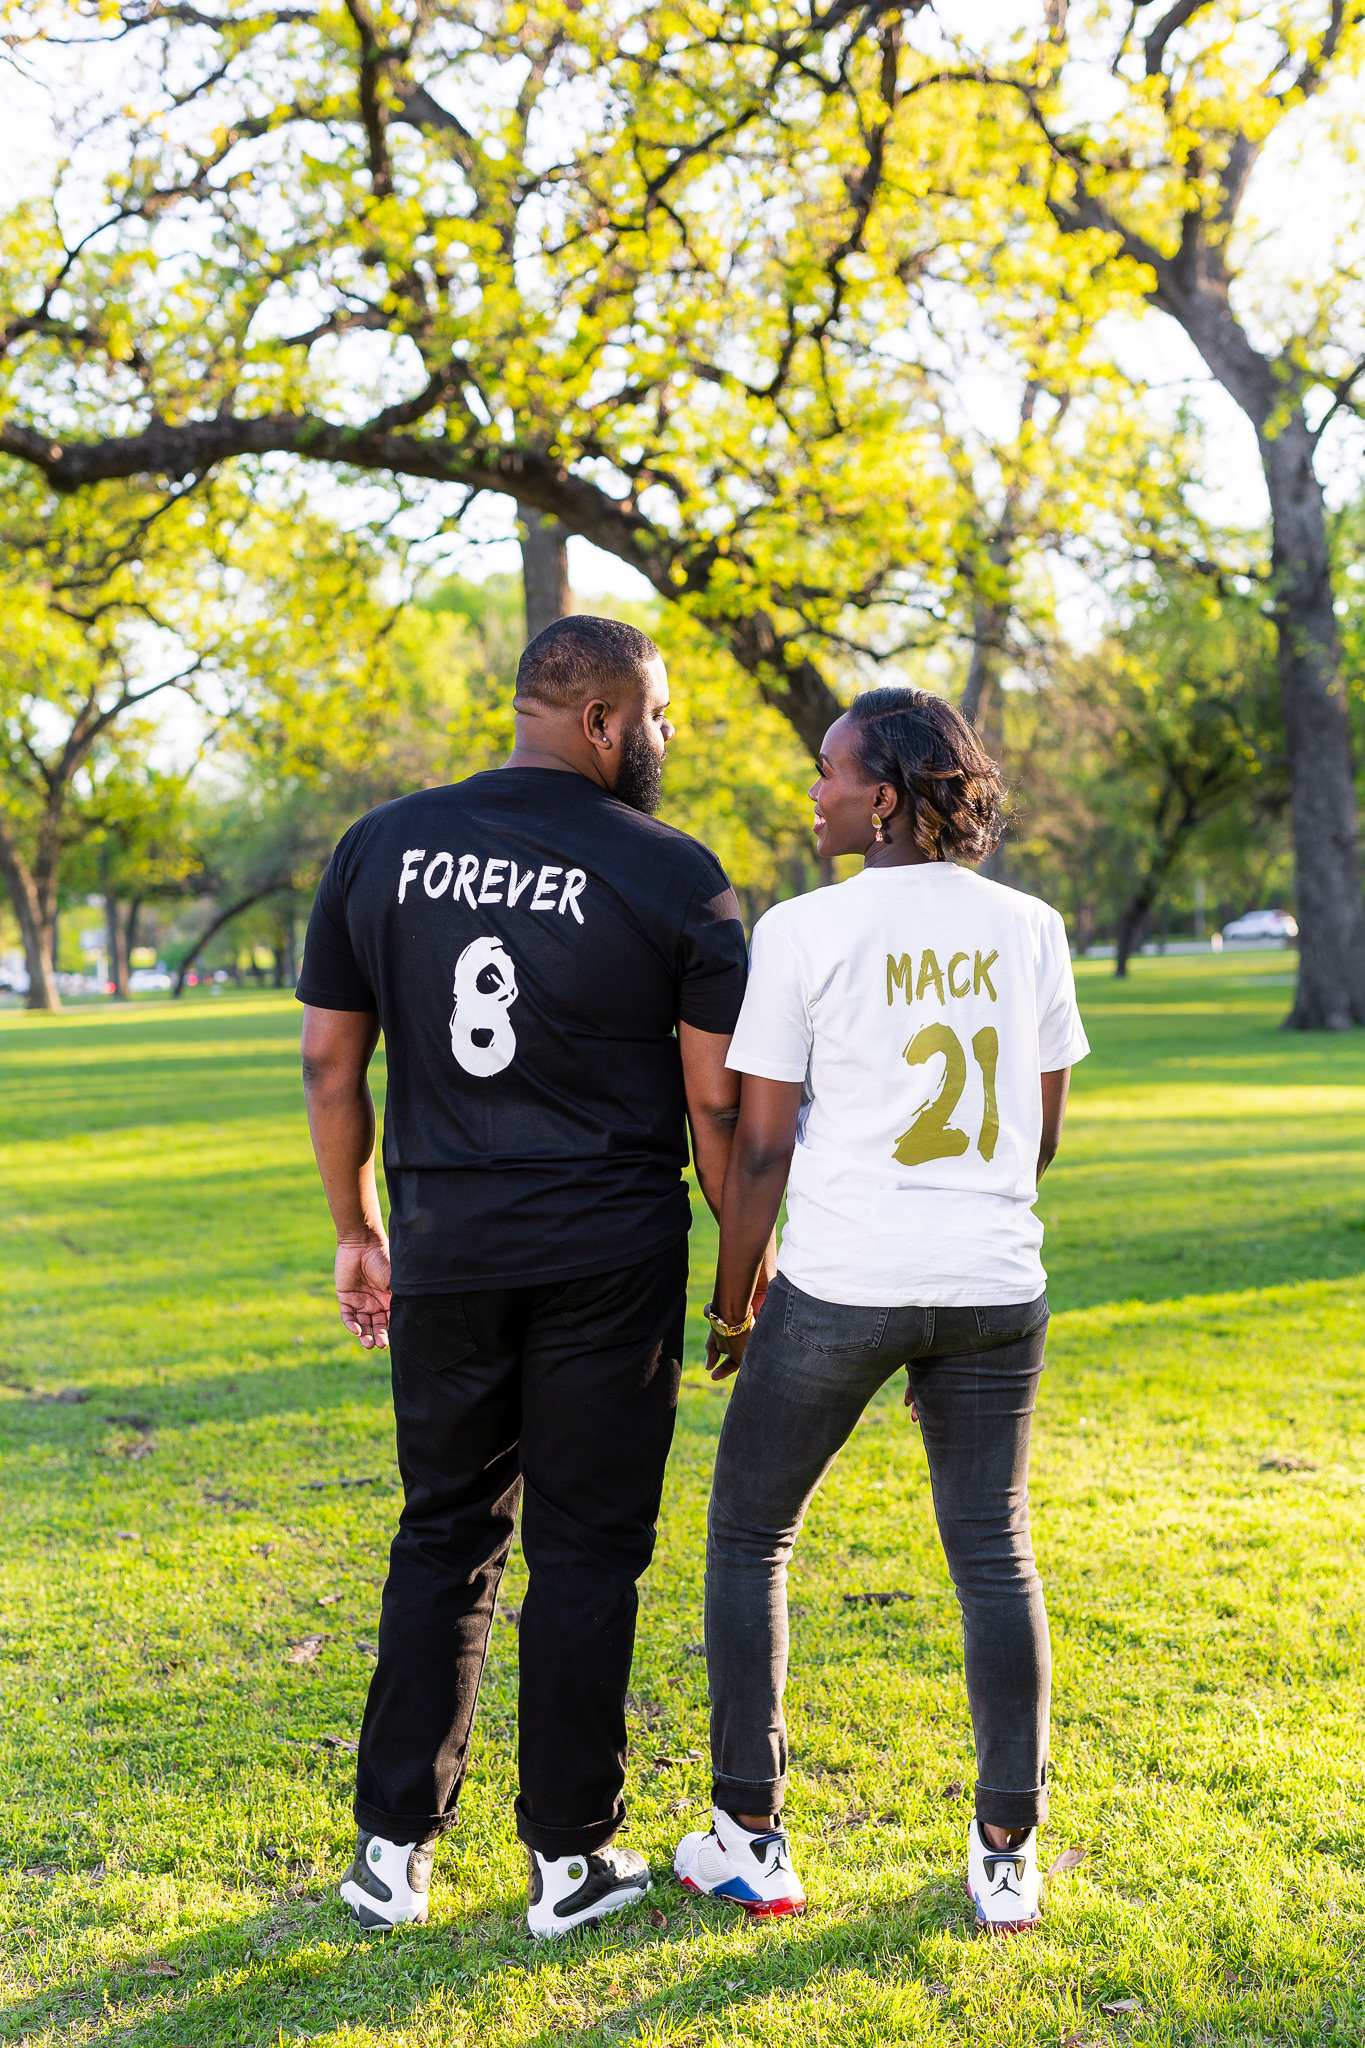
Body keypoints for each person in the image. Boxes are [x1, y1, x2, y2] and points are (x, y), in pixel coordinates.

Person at [296, 615, 751, 1939]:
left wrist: (357, 1226)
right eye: (655, 717)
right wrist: (742, 1276)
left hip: (445, 1249)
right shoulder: (677, 874)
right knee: (588, 1549)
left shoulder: (378, 848)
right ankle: (570, 1861)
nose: (662, 739)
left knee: (443, 1532)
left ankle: (391, 1856)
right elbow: (715, 1110)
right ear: (602, 722)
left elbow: (334, 1064)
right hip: (609, 1255)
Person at [673, 687, 1089, 1933]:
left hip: (841, 1282)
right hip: (993, 1286)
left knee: (751, 1535)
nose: (818, 791)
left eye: (832, 772)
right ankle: (1006, 1851)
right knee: (993, 1549)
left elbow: (756, 1154)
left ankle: (750, 1837)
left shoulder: (804, 930)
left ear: (890, 799)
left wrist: (734, 1297)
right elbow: (1044, 1132)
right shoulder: (1032, 925)